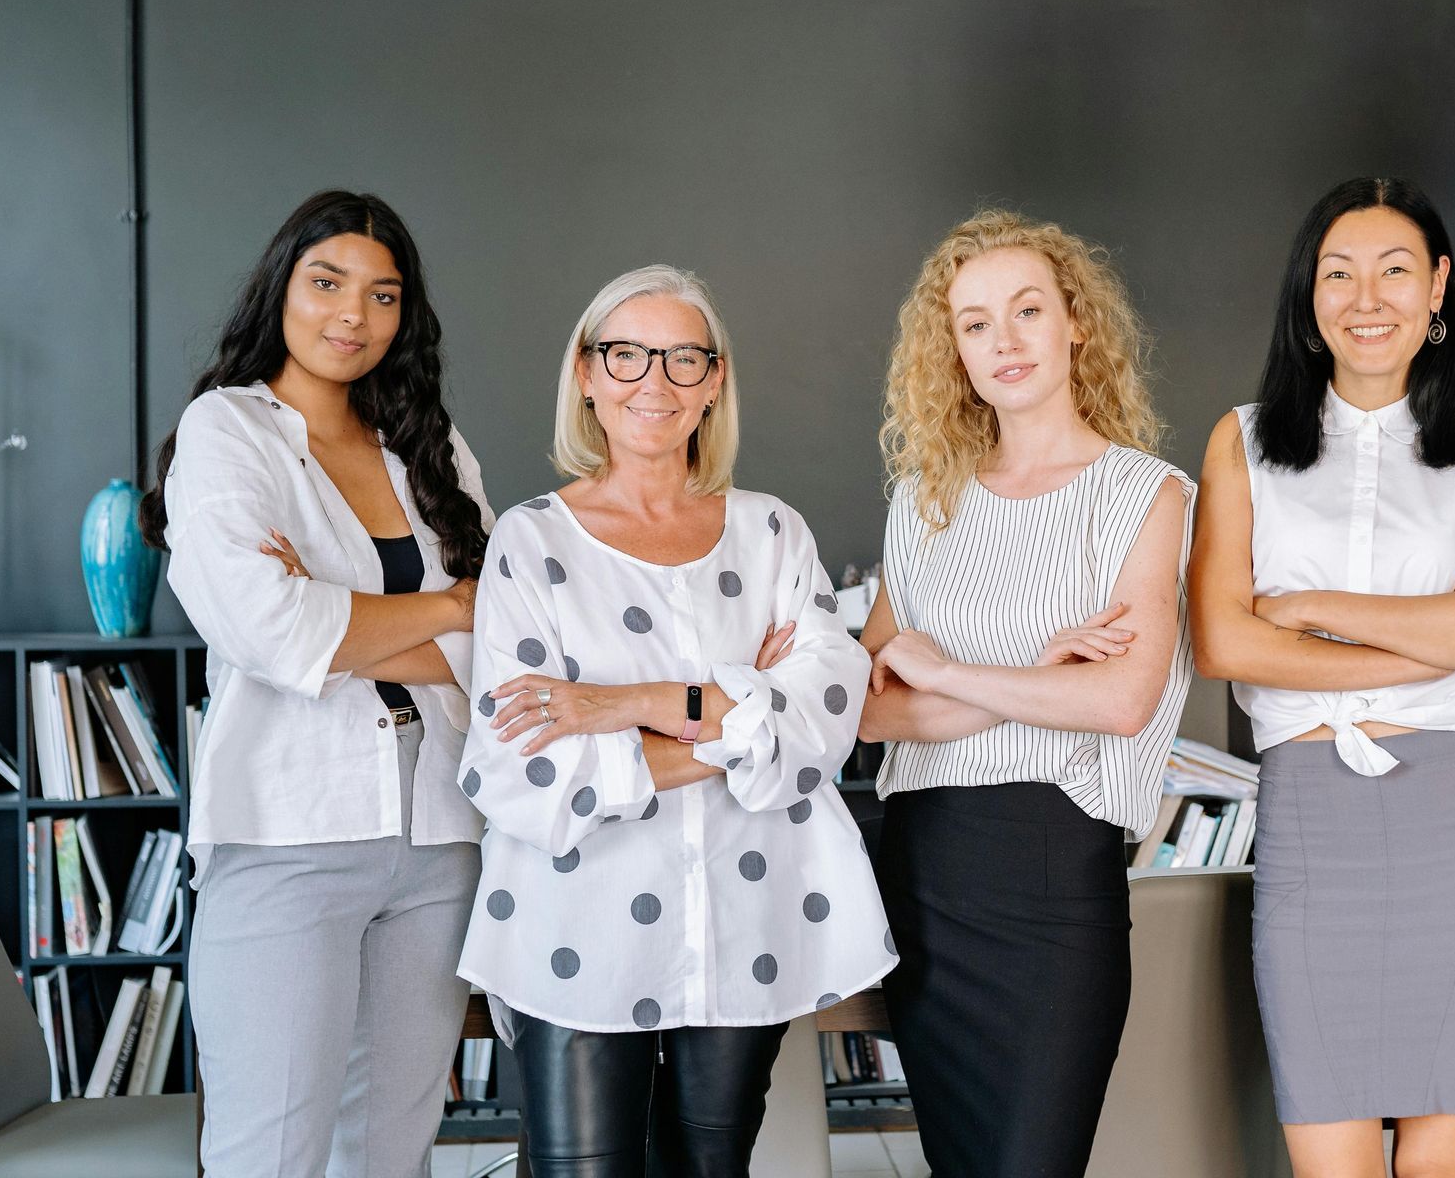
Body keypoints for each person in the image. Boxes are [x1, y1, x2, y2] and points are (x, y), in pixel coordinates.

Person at [456, 265, 892, 1178]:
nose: (654, 381)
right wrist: (742, 719)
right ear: (585, 372)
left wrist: (627, 707)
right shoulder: (530, 542)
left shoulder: (773, 533)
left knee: (711, 1168)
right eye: (627, 355)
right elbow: (521, 772)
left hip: (748, 921)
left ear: (715, 381)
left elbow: (826, 720)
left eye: (683, 358)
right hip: (571, 928)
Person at [1189, 177, 1455, 1178]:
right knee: (1331, 1156)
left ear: (1437, 288)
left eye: (1394, 270)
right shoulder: (1243, 441)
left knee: (1446, 1163)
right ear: (1309, 296)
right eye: (1337, 273)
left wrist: (1309, 608)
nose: (1366, 296)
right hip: (1313, 828)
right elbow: (1222, 641)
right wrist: (1435, 636)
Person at [140, 190, 491, 1176]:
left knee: (393, 1151)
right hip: (289, 834)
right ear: (279, 289)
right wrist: (447, 609)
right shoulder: (228, 432)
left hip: (438, 836)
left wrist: (336, 611)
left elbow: (513, 640)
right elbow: (263, 624)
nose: (354, 314)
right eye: (327, 282)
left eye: (384, 294)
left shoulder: (431, 445)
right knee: (272, 1152)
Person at [858, 210, 1194, 1178]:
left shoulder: (1144, 493)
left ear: (1077, 322)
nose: (1002, 341)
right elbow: (873, 711)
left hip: (1054, 867)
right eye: (973, 323)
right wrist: (1043, 681)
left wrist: (952, 673)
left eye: (1027, 309)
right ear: (951, 349)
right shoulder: (924, 498)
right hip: (926, 867)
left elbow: (1123, 701)